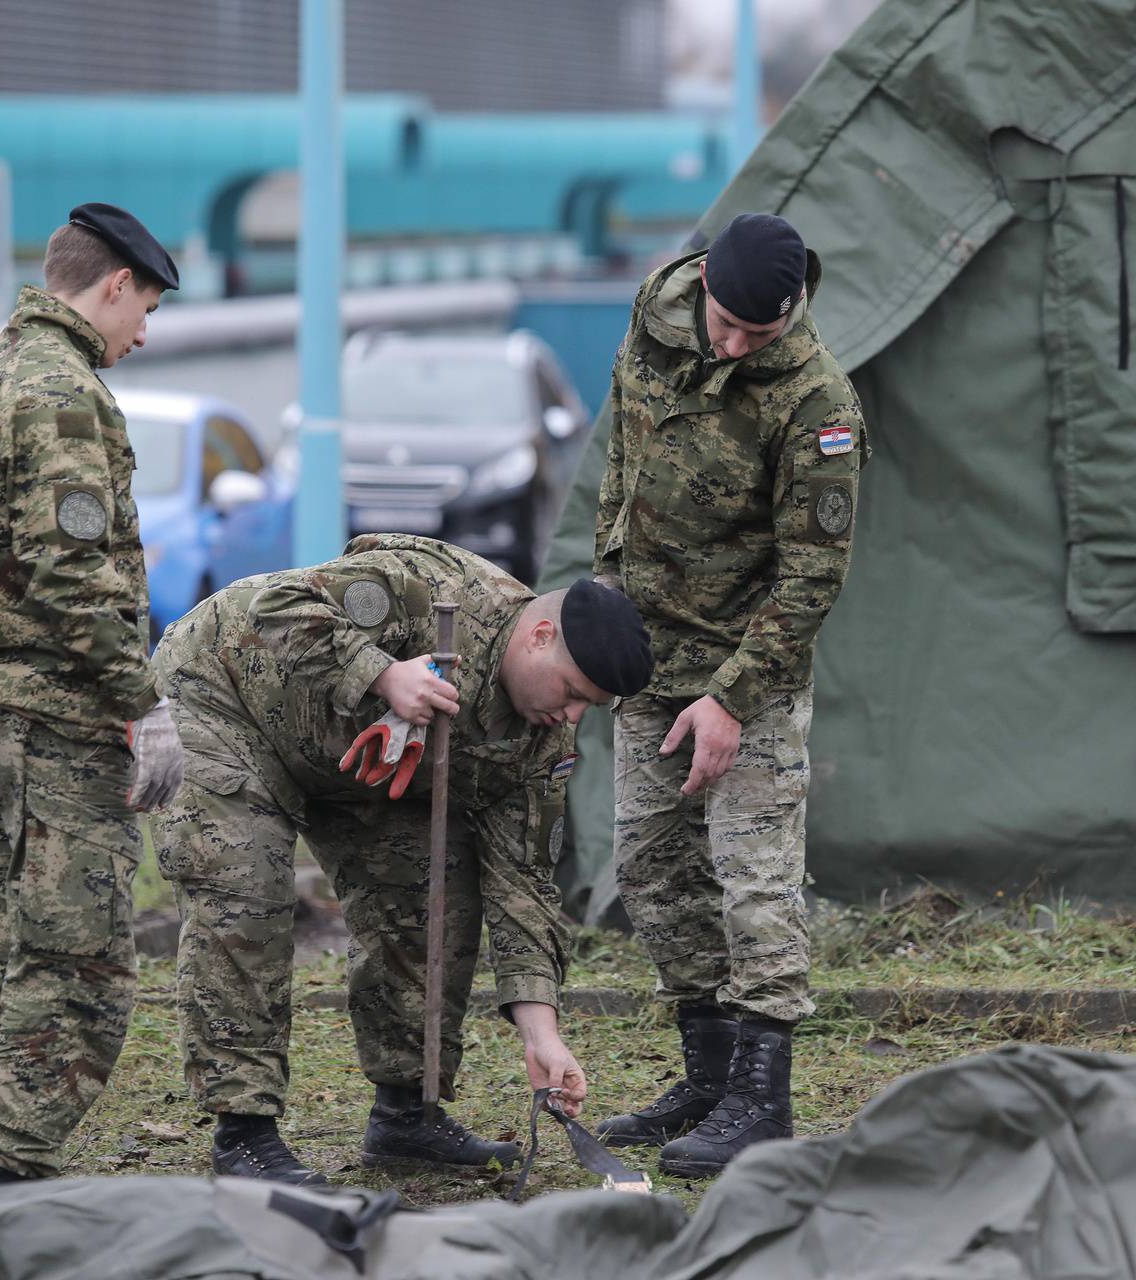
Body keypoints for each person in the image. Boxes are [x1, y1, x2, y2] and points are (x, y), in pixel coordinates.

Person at [150, 534, 653, 1184]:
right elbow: (280, 605)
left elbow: (522, 881)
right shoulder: (431, 590)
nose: (573, 713)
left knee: (432, 886)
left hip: (350, 755)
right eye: (572, 689)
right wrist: (383, 672)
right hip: (228, 697)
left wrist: (541, 1032)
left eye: (591, 707)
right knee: (246, 884)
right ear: (539, 636)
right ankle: (243, 1133)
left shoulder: (539, 737)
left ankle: (407, 1117)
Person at [590, 212, 866, 1177]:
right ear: (702, 284)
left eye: (760, 331)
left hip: (748, 675)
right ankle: (707, 1079)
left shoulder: (817, 402)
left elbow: (811, 579)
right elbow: (619, 469)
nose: (737, 343)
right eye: (727, 323)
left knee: (754, 883)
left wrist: (733, 698)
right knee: (653, 874)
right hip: (643, 663)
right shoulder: (656, 317)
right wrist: (604, 610)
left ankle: (762, 1099)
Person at [0, 203, 188, 1188]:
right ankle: (5, 1186)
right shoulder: (63, 391)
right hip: (59, 717)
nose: (144, 331)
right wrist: (144, 698)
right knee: (78, 973)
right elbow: (75, 577)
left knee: (6, 956)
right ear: (113, 283)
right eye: (147, 306)